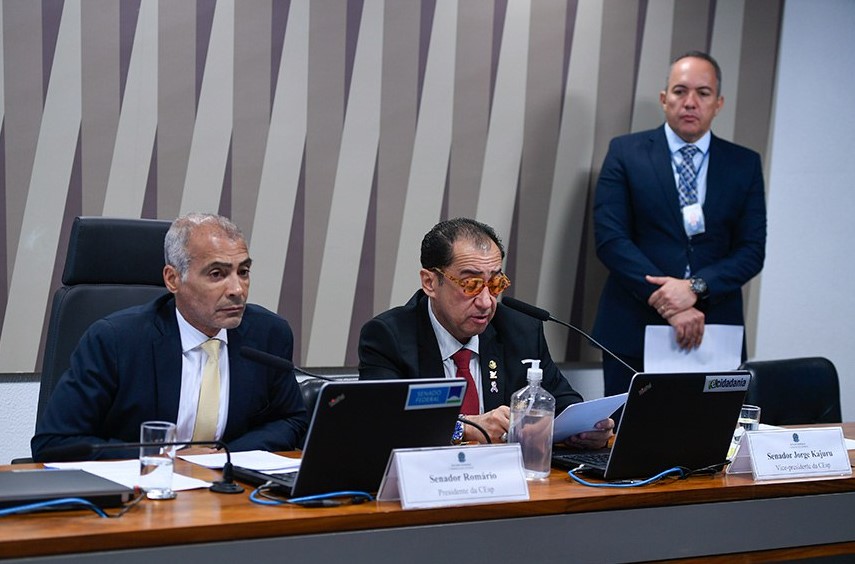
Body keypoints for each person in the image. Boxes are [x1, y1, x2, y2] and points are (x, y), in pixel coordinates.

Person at [31, 213, 308, 461]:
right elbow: (55, 441)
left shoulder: (268, 334)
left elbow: (292, 419)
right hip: (138, 496)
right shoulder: (115, 341)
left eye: (243, 272)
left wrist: (222, 456)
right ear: (173, 279)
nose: (237, 289)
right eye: (217, 274)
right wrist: (168, 456)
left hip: (232, 494)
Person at [592, 51, 767, 396]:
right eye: (679, 91)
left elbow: (751, 250)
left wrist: (694, 288)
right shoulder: (625, 153)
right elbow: (611, 239)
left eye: (702, 93)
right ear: (663, 99)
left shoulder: (744, 163)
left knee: (711, 444)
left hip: (715, 331)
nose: (690, 102)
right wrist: (666, 299)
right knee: (626, 444)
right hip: (633, 327)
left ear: (718, 103)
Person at [359, 217, 613, 447]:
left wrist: (586, 429)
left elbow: (563, 402)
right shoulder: (388, 336)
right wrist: (465, 429)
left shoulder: (520, 329)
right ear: (430, 283)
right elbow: (379, 426)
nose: (486, 302)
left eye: (495, 283)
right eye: (470, 284)